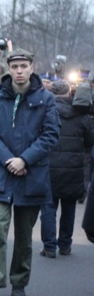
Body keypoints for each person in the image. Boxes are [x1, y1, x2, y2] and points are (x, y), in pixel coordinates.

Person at [0, 48, 60, 296]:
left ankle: (19, 280)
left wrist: (24, 159)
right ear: (9, 69)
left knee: (24, 236)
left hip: (30, 175)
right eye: (15, 67)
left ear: (31, 67)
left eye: (24, 66)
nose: (19, 71)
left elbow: (50, 135)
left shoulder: (45, 99)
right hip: (1, 174)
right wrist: (8, 160)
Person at [40, 80, 94, 257]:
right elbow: (90, 142)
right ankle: (65, 245)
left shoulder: (44, 111)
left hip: (49, 168)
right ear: (70, 92)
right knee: (69, 208)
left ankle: (49, 246)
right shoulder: (82, 115)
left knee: (48, 208)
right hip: (73, 169)